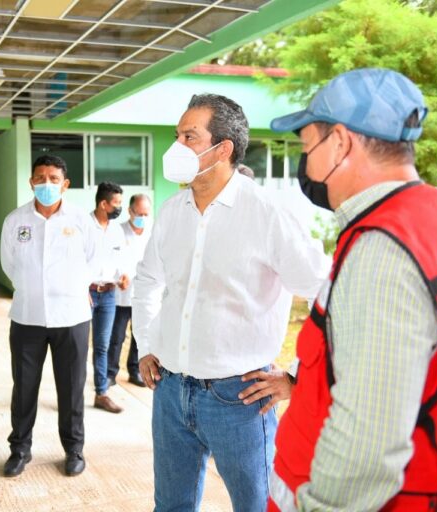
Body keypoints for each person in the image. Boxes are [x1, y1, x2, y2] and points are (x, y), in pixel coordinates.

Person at [265, 68, 437, 511]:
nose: (305, 165)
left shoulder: (383, 251)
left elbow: (366, 446)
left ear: (341, 143)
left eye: (308, 146)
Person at [132, 94, 329, 512]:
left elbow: (326, 292)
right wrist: (148, 343)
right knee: (170, 506)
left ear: (222, 149)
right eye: (177, 135)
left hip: (238, 400)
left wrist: (297, 377)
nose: (177, 147)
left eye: (189, 136)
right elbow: (149, 279)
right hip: (170, 391)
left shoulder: (266, 213)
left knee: (257, 505)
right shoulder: (172, 212)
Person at [0, 154, 96, 478]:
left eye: (53, 179)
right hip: (28, 317)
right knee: (24, 388)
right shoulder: (15, 220)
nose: (46, 184)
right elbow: (9, 266)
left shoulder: (82, 220)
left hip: (72, 318)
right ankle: (20, 450)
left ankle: (74, 450)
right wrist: (33, 289)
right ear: (31, 181)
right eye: (40, 178)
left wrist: (69, 290)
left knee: (71, 389)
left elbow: (92, 262)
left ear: (65, 184)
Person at [89, 181, 129, 413]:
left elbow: (120, 260)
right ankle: (72, 394)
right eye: (117, 204)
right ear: (103, 204)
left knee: (102, 346)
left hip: (109, 295)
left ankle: (101, 393)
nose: (119, 208)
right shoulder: (83, 225)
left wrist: (123, 275)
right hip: (85, 293)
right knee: (77, 348)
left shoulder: (115, 229)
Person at [107, 193, 152, 388]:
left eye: (146, 213)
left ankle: (135, 371)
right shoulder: (117, 231)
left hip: (144, 295)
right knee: (116, 336)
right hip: (122, 295)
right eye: (139, 212)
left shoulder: (152, 232)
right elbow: (111, 258)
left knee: (139, 336)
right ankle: (110, 373)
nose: (142, 217)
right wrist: (119, 276)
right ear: (130, 211)